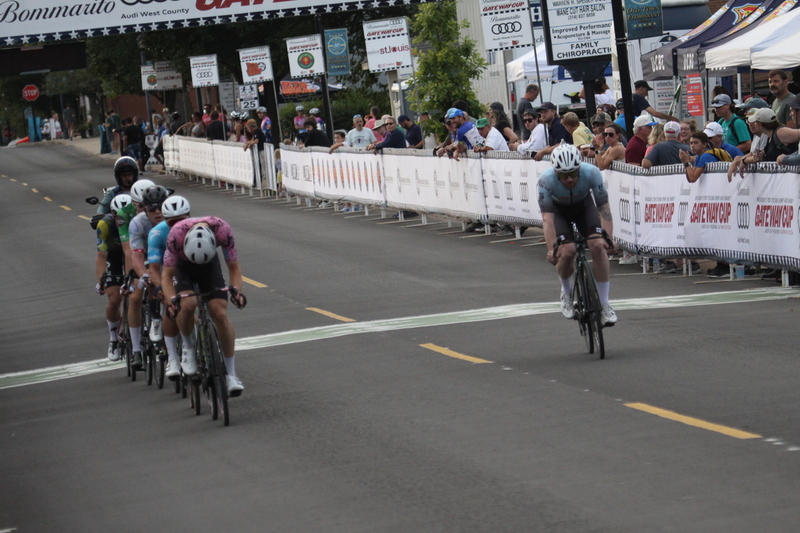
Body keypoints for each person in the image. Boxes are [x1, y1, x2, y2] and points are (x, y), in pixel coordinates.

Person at [162, 216, 246, 394]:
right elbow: (167, 276)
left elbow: (234, 268)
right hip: (183, 267)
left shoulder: (222, 230)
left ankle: (231, 374)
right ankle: (188, 347)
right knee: (188, 304)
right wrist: (171, 302)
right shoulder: (176, 235)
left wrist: (237, 293)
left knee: (219, 313)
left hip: (209, 265)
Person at [538, 143, 617, 325]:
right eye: (564, 175)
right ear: (555, 172)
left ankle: (604, 304)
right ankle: (566, 293)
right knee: (567, 251)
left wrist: (609, 237)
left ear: (579, 168)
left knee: (598, 245)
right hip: (559, 212)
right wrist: (552, 249)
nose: (570, 179)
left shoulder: (592, 172)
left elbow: (604, 208)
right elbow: (547, 219)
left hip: (584, 207)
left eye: (573, 173)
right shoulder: (545, 181)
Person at [125, 185, 170, 369]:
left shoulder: (173, 218)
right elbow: (135, 257)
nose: (157, 211)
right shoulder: (137, 223)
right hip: (145, 257)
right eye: (152, 208)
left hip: (167, 257)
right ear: (144, 208)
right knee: (135, 297)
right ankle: (136, 349)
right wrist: (144, 275)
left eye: (161, 206)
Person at [147, 194, 191, 379]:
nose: (178, 226)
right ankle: (172, 358)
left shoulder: (199, 228)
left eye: (181, 220)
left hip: (193, 266)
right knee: (170, 305)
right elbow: (154, 269)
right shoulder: (157, 233)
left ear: (189, 216)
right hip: (171, 270)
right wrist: (160, 288)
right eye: (172, 222)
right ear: (166, 221)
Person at [96, 193, 131, 361]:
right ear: (112, 214)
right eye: (117, 215)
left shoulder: (136, 221)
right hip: (113, 257)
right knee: (114, 300)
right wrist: (101, 280)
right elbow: (101, 256)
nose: (121, 219)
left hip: (133, 254)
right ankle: (113, 339)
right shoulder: (105, 224)